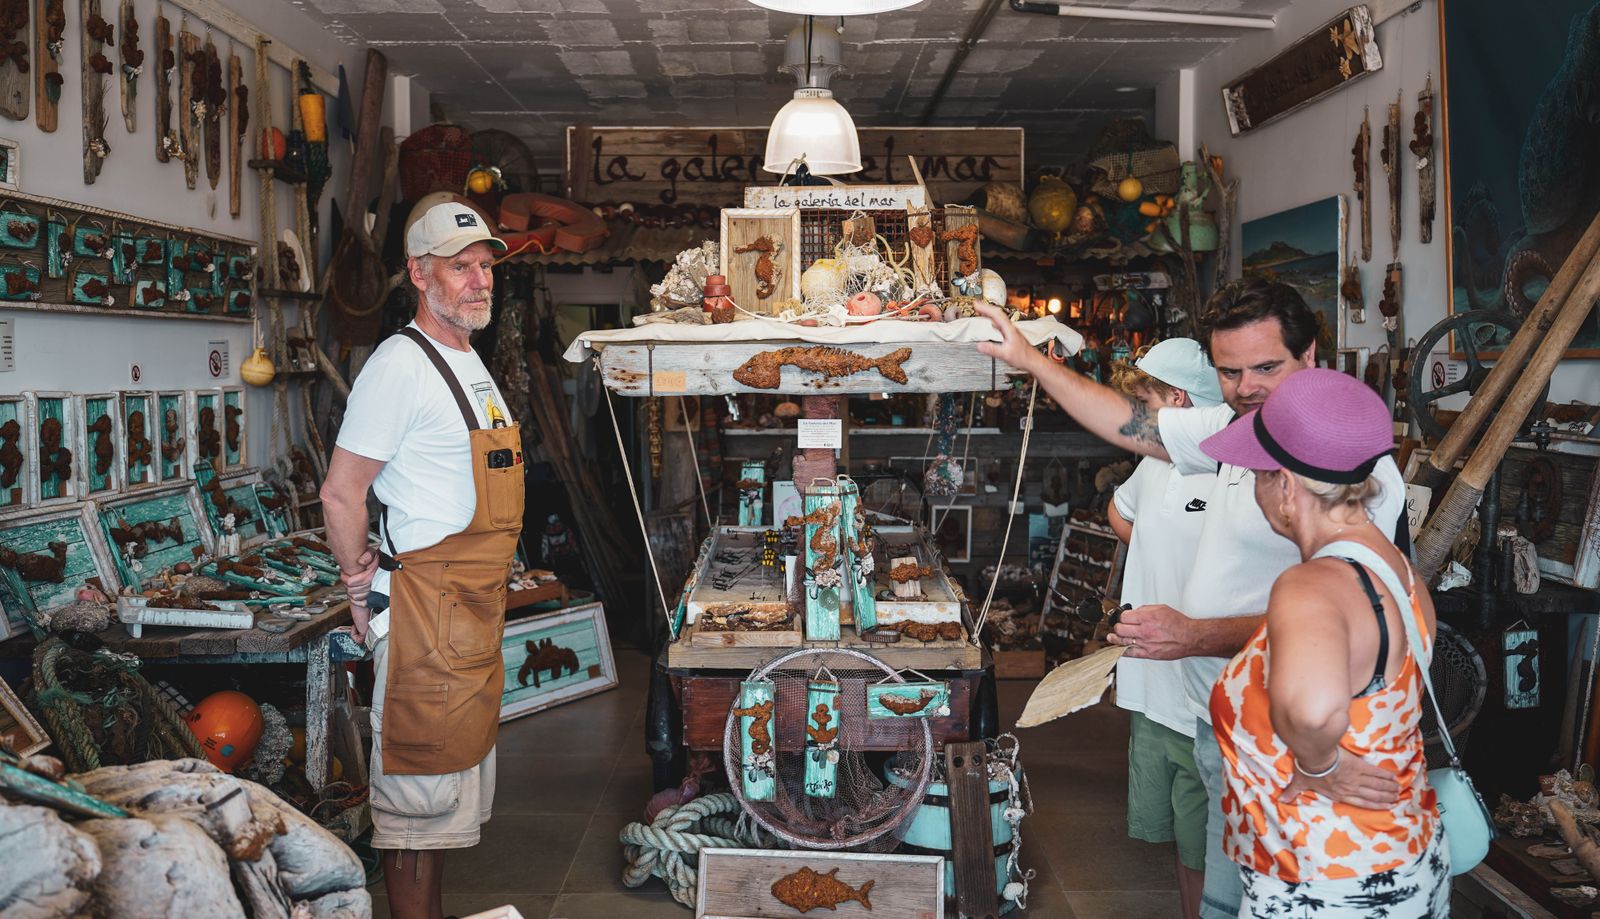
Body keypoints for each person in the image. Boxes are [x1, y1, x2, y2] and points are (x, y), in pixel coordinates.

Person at [975, 277, 1405, 919]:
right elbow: (1131, 422)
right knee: (1223, 891)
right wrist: (1032, 361)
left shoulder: (1347, 477)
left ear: (1309, 356)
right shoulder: (1236, 428)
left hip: (1281, 737)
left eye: (1266, 367)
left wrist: (1195, 636)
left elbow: (1347, 631)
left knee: (1281, 894)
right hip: (1219, 712)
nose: (1246, 387)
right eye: (1230, 372)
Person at [321, 201, 522, 919]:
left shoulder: (466, 360)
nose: (478, 281)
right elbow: (342, 494)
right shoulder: (399, 365)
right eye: (460, 266)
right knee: (411, 820)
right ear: (418, 272)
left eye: (484, 266)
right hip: (425, 621)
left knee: (439, 818)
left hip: (467, 620)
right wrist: (360, 589)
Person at [1201, 368, 1448, 915]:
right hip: (1398, 856)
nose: (1255, 488)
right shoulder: (1398, 570)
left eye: (1258, 474)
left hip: (1323, 876)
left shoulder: (1309, 588)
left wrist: (1319, 767)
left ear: (1287, 485)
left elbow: (1314, 712)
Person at [1105, 339, 1223, 918]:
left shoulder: (1228, 465)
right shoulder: (1154, 460)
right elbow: (1119, 511)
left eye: (1144, 398)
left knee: (1211, 841)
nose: (1136, 410)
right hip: (1151, 687)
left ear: (1176, 398)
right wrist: (1151, 548)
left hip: (1203, 690)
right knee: (1181, 837)